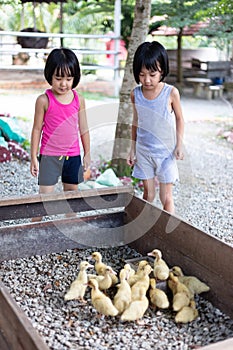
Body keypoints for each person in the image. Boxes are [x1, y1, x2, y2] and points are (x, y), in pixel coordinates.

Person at [127, 41, 184, 214]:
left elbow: (180, 119)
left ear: (162, 70)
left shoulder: (171, 93)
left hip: (165, 153)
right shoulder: (135, 94)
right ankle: (147, 229)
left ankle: (168, 234)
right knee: (148, 194)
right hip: (144, 151)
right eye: (142, 74)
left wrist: (179, 145)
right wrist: (132, 149)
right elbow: (136, 122)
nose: (147, 80)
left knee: (166, 197)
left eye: (152, 74)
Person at [30, 48, 90, 195]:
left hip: (73, 156)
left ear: (75, 77)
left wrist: (87, 153)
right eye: (58, 78)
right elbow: (37, 129)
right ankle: (37, 219)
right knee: (44, 197)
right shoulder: (43, 100)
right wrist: (33, 157)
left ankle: (70, 219)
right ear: (49, 75)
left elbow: (84, 128)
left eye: (68, 79)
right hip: (49, 157)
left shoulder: (79, 99)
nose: (63, 84)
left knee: (71, 196)